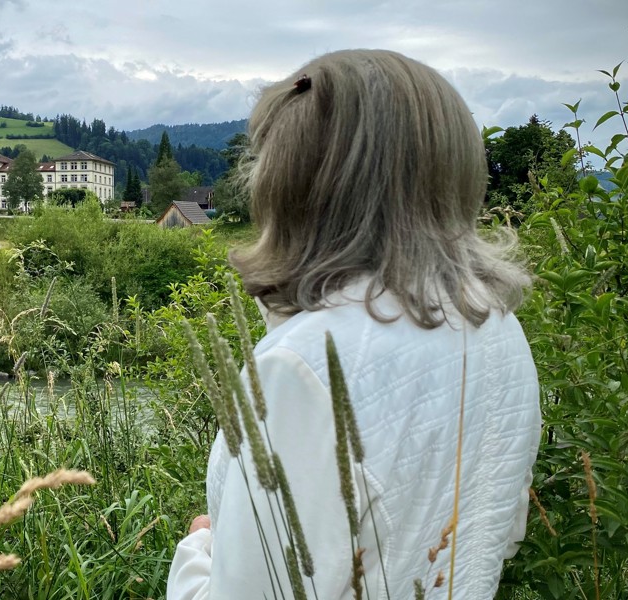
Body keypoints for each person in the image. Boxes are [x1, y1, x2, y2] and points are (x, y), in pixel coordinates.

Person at [166, 49, 541, 599]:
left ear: (294, 185)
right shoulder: (498, 328)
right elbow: (497, 535)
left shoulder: (302, 367)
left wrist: (199, 549)